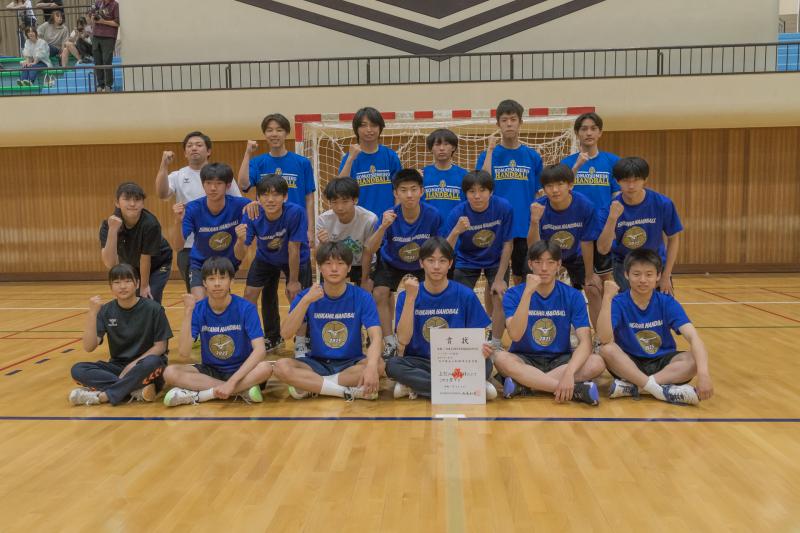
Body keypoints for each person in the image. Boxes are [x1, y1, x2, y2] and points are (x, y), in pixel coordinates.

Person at [491, 240, 605, 405]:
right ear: (530, 264)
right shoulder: (514, 294)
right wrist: (528, 293)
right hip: (524, 358)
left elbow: (586, 342)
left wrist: (569, 372)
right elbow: (515, 335)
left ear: (558, 265)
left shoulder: (573, 295)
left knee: (597, 362)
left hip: (560, 360)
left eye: (550, 262)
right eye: (538, 262)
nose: (544, 268)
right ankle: (573, 390)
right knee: (500, 358)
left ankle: (525, 384)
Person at [596, 249, 713, 405]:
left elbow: (693, 337)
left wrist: (704, 374)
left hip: (662, 363)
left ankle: (635, 387)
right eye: (636, 274)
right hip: (629, 363)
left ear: (658, 276)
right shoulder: (618, 302)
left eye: (649, 274)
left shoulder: (667, 302)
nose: (643, 280)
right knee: (606, 349)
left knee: (693, 361)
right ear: (626, 275)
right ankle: (660, 390)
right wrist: (606, 299)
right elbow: (604, 338)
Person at [386, 237, 497, 400]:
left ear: (450, 264)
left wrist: (483, 348)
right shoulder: (406, 296)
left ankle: (415, 386)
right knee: (392, 365)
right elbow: (403, 339)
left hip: (456, 361)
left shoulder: (465, 294)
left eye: (442, 261)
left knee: (486, 364)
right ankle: (468, 386)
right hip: (421, 361)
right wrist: (411, 298)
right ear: (421, 263)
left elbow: (477, 337)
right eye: (430, 260)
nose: (436, 266)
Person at [273, 242, 383, 401]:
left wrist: (371, 367)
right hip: (316, 363)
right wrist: (306, 301)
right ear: (319, 267)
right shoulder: (307, 295)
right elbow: (285, 333)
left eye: (340, 263)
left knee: (379, 365)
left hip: (350, 363)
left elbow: (376, 336)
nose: (334, 269)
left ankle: (315, 386)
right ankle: (344, 391)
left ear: (349, 268)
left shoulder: (362, 297)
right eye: (328, 263)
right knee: (280, 367)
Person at [163, 257, 271, 407]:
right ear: (204, 283)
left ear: (232, 281)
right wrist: (188, 312)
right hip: (211, 370)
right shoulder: (198, 309)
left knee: (266, 368)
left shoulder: (246, 308)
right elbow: (184, 352)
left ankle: (203, 395)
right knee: (170, 372)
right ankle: (240, 390)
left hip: (242, 370)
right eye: (212, 279)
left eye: (222, 278)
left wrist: (232, 382)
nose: (217, 283)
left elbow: (260, 350)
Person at [365, 168, 443, 358]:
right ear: (395, 193)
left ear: (421, 191)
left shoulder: (433, 215)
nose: (409, 195)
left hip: (422, 263)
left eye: (414, 189)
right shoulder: (389, 215)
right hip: (391, 261)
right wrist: (383, 226)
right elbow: (370, 248)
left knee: (428, 296)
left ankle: (421, 338)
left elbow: (439, 246)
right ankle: (389, 342)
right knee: (380, 292)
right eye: (403, 190)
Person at [69, 264, 172, 406]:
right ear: (111, 287)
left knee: (153, 362)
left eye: (127, 281)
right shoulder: (106, 310)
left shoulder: (154, 309)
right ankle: (133, 390)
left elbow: (160, 347)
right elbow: (89, 347)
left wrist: (133, 365)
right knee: (78, 369)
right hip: (118, 367)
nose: (122, 286)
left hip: (145, 365)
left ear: (137, 284)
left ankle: (104, 396)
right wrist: (92, 314)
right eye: (117, 282)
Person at [154, 131, 242, 292]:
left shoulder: (221, 175)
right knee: (195, 293)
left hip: (218, 244)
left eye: (199, 145)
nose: (194, 148)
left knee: (221, 292)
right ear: (185, 153)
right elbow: (161, 193)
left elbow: (238, 204)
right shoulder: (178, 175)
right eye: (189, 145)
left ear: (208, 151)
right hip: (188, 245)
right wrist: (164, 164)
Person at [234, 173, 312, 352]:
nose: (270, 199)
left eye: (276, 194)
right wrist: (239, 240)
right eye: (265, 194)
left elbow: (294, 248)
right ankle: (261, 338)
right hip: (266, 257)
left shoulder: (295, 212)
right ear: (258, 198)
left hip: (296, 257)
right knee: (250, 294)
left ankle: (302, 341)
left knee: (297, 296)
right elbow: (239, 255)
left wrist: (293, 281)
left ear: (285, 197)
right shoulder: (252, 214)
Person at [476, 99, 543, 284]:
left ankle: (520, 304)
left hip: (524, 225)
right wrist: (490, 150)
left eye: (513, 119)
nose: (509, 124)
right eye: (504, 120)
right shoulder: (488, 155)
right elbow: (483, 182)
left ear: (521, 122)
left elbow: (539, 193)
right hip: (496, 225)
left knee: (523, 276)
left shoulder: (533, 156)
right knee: (495, 279)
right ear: (498, 124)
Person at [444, 170, 513, 349]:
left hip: (495, 259)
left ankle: (495, 344)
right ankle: (462, 344)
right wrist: (456, 231)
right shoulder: (457, 213)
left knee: (499, 296)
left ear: (491, 191)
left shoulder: (504, 207)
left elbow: (508, 244)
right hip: (467, 260)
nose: (477, 196)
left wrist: (499, 278)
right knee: (458, 298)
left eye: (482, 190)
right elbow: (445, 251)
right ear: (465, 194)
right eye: (471, 191)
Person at [528, 164, 602, 325]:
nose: (555, 190)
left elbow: (587, 241)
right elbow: (534, 247)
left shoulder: (585, 205)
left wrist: (589, 274)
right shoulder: (538, 207)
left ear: (570, 185)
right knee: (540, 290)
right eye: (549, 186)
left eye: (560, 184)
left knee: (593, 289)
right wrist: (534, 222)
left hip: (577, 254)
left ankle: (599, 336)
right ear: (543, 189)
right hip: (549, 256)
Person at [597, 157, 683, 294]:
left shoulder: (663, 203)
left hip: (656, 264)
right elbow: (602, 249)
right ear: (618, 181)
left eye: (636, 180)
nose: (631, 186)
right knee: (629, 306)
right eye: (626, 181)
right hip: (624, 266)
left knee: (663, 306)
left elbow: (673, 238)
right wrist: (612, 218)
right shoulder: (608, 209)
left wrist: (666, 275)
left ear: (645, 179)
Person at [560, 112, 620, 284]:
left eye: (593, 129)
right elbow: (562, 191)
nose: (588, 133)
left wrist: (613, 225)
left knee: (605, 278)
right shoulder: (567, 163)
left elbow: (617, 196)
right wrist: (577, 166)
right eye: (584, 129)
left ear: (600, 132)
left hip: (603, 227)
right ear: (577, 133)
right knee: (580, 280)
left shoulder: (612, 161)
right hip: (575, 228)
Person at [238, 113, 315, 244]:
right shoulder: (257, 162)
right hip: (268, 228)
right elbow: (243, 185)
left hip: (296, 224)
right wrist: (248, 152)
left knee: (297, 256)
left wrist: (310, 230)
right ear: (264, 134)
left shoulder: (302, 163)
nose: (274, 134)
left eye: (279, 130)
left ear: (286, 133)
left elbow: (309, 199)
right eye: (269, 130)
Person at [181, 163, 252, 299]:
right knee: (199, 303)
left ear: (228, 185)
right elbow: (177, 246)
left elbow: (240, 255)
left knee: (220, 302)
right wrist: (176, 222)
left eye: (218, 183)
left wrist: (256, 205)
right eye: (208, 183)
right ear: (203, 185)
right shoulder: (192, 208)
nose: (213, 188)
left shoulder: (242, 205)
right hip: (200, 263)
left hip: (228, 263)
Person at [99, 182, 172, 303]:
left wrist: (144, 286)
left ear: (143, 203)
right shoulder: (109, 225)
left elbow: (145, 258)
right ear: (117, 203)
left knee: (149, 298)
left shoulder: (151, 224)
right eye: (127, 199)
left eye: (137, 199)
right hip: (131, 265)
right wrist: (113, 230)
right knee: (128, 300)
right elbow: (110, 263)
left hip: (158, 264)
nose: (132, 204)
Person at [337, 107, 402, 218]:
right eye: (363, 125)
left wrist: (396, 215)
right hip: (359, 221)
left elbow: (399, 189)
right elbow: (339, 189)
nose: (369, 129)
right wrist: (350, 159)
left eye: (373, 125)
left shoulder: (390, 156)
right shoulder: (350, 157)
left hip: (387, 219)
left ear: (380, 128)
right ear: (356, 129)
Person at [315, 177, 377, 290]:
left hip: (363, 264)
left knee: (367, 293)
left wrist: (365, 280)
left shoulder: (369, 219)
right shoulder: (323, 220)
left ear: (355, 200)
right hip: (336, 263)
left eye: (345, 201)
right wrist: (322, 243)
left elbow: (368, 252)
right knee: (330, 294)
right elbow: (318, 255)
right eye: (334, 202)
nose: (340, 207)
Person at [422, 128, 466, 222]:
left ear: (453, 147)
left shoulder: (464, 175)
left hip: (455, 228)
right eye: (437, 144)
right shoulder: (421, 174)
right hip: (429, 228)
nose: (441, 148)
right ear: (431, 148)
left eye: (446, 144)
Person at [89, 0, 119, 92]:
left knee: (107, 61)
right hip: (96, 35)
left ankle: (108, 85)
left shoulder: (115, 5)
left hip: (109, 36)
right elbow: (91, 18)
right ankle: (100, 84)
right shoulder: (97, 3)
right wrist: (93, 18)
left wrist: (103, 21)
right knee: (97, 61)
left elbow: (117, 23)